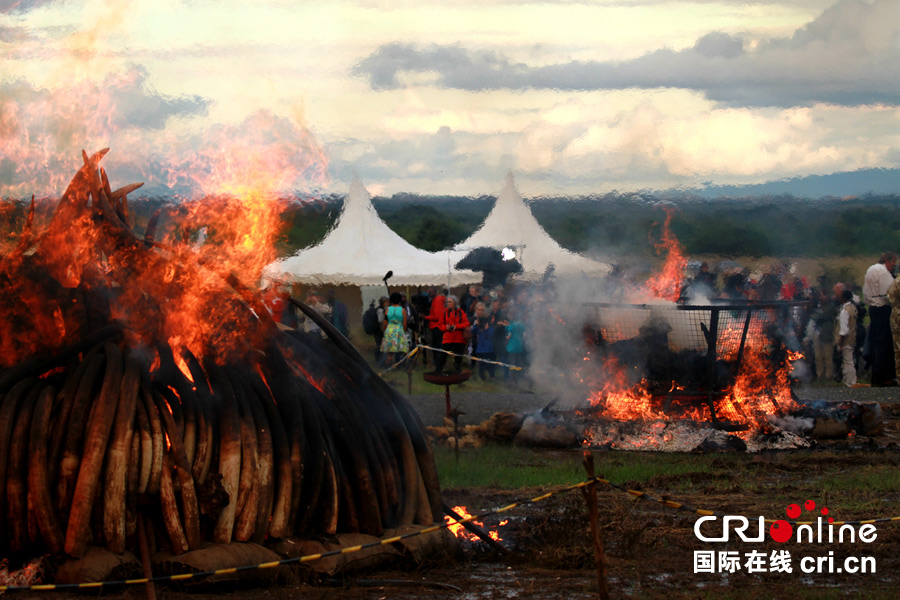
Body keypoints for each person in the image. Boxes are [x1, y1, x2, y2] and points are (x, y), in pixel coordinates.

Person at [863, 252, 896, 386]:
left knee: (875, 341)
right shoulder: (883, 272)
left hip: (873, 307)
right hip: (883, 308)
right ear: (887, 261)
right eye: (893, 262)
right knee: (884, 343)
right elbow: (889, 293)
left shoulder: (871, 269)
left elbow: (866, 293)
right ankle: (883, 376)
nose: (894, 266)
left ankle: (876, 375)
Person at [434, 295, 470, 373]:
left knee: (458, 357)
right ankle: (438, 371)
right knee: (442, 355)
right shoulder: (444, 313)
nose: (448, 303)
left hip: (459, 338)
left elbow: (466, 323)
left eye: (450, 302)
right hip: (448, 338)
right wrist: (445, 327)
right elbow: (440, 325)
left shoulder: (461, 312)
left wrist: (456, 326)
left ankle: (458, 372)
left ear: (455, 303)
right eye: (447, 302)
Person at [835, 289, 858, 387]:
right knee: (850, 360)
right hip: (853, 338)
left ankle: (850, 382)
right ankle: (851, 380)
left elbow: (844, 330)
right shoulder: (852, 308)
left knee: (847, 361)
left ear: (843, 298)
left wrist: (840, 344)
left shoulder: (844, 311)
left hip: (846, 340)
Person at [380, 292, 409, 368]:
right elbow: (405, 323)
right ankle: (403, 365)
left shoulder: (387, 310)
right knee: (403, 349)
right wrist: (404, 332)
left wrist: (385, 330)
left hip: (390, 330)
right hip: (399, 330)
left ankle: (387, 366)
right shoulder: (402, 310)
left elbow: (385, 322)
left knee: (390, 352)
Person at [425, 289, 447, 365]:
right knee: (437, 345)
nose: (429, 293)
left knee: (437, 346)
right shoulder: (436, 300)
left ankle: (438, 362)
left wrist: (426, 317)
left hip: (437, 327)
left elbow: (437, 316)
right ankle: (439, 362)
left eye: (430, 292)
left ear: (435, 291)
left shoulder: (437, 300)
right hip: (438, 326)